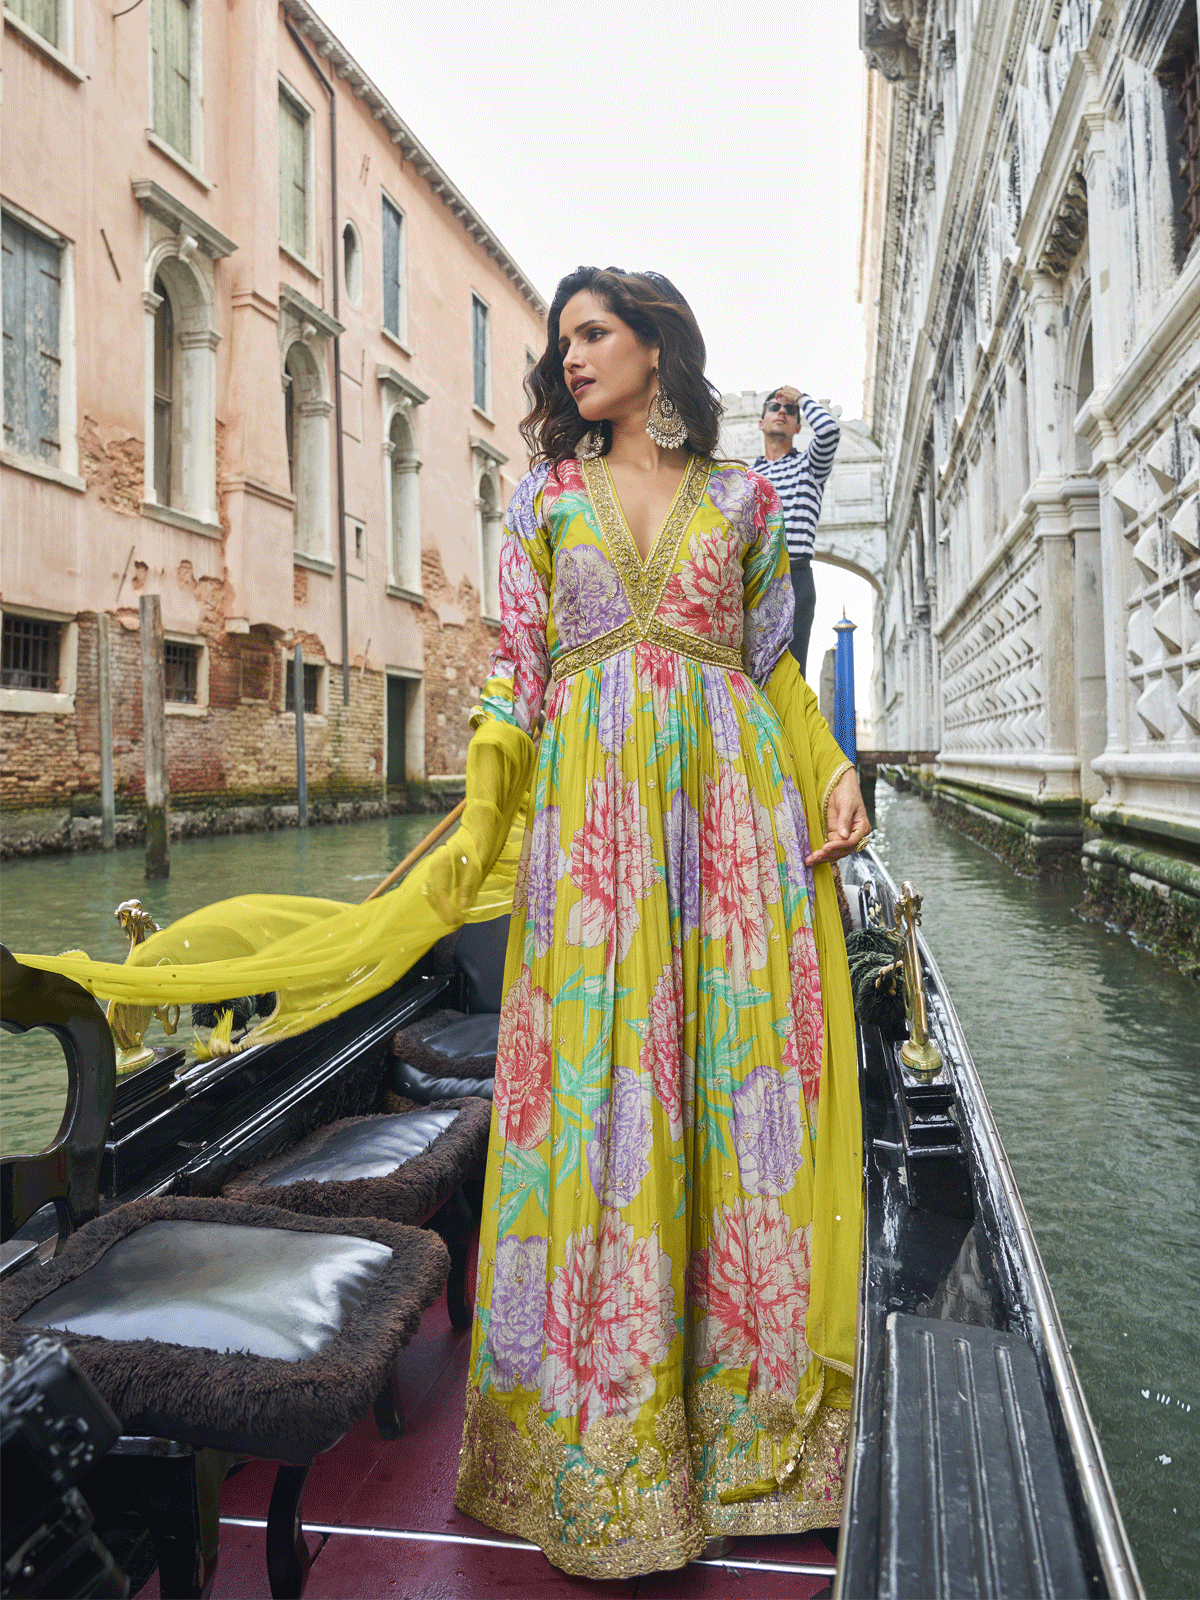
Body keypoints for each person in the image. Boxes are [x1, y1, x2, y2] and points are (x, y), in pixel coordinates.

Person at [452, 266, 869, 1579]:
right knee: (604, 1103)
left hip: (732, 829)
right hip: (592, 843)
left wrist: (833, 770)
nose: (571, 356)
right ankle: (608, 1441)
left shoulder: (745, 499)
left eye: (595, 333)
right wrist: (478, 813)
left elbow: (769, 668)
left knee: (736, 1100)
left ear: (655, 346)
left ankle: (753, 1439)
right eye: (562, 340)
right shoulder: (543, 500)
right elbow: (517, 676)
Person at [752, 386, 841, 680]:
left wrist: (800, 398)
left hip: (795, 575)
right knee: (753, 669)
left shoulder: (809, 466)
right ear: (761, 422)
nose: (782, 412)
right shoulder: (748, 476)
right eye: (774, 407)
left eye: (790, 411)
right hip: (757, 577)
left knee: (792, 671)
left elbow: (829, 431)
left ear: (798, 427)